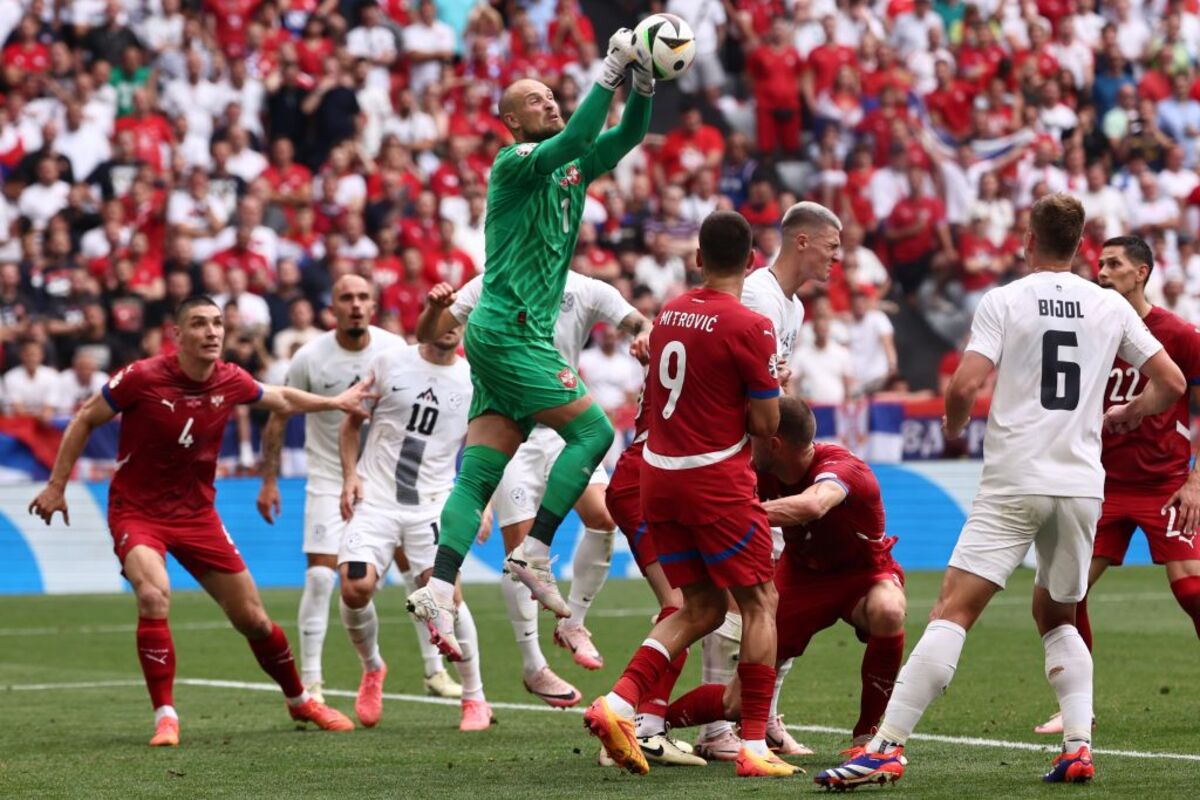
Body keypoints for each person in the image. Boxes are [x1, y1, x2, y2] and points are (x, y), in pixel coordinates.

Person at [817, 195, 1186, 788]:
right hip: (1082, 486)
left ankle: (886, 746)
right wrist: (1129, 412)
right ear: (1081, 244)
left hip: (1017, 477)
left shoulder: (1006, 299)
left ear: (1027, 238)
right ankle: (1077, 745)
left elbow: (963, 385)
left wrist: (956, 426)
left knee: (952, 609)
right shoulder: (1108, 305)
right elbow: (1170, 382)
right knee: (1057, 612)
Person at [28, 296, 377, 747]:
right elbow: (84, 418)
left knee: (252, 618)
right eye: (199, 324)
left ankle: (299, 700)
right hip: (138, 511)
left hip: (197, 515)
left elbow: (281, 398)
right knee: (154, 595)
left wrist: (336, 402)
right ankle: (166, 716)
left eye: (217, 323)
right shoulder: (143, 376)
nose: (212, 332)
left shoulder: (230, 379)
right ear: (177, 335)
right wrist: (57, 486)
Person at [405, 29, 655, 655]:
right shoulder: (512, 163)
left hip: (501, 335)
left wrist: (643, 84)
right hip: (513, 331)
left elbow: (623, 138)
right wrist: (611, 68)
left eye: (552, 95)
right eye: (536, 100)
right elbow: (575, 137)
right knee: (595, 433)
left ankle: (438, 585)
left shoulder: (571, 167)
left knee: (478, 475)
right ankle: (537, 551)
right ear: (512, 120)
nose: (549, 103)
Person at [584, 210, 794, 778]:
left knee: (698, 606)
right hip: (714, 479)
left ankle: (620, 703)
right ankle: (752, 744)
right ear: (751, 263)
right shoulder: (752, 324)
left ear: (698, 259)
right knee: (759, 603)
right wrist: (772, 384)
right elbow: (766, 423)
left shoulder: (669, 311)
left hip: (657, 476)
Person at [417, 271, 650, 706]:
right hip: (515, 430)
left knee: (603, 517)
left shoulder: (587, 289)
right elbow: (432, 330)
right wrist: (435, 307)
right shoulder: (492, 280)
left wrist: (646, 334)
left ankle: (572, 623)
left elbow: (636, 320)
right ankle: (533, 665)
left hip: (566, 426)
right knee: (518, 549)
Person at [664, 397, 907, 763]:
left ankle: (866, 735)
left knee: (888, 608)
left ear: (773, 443)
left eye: (754, 435)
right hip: (802, 577)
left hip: (863, 575)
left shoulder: (843, 467)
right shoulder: (758, 470)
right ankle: (649, 724)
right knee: (737, 701)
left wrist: (733, 516)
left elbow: (812, 505)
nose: (747, 441)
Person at [256, 275, 461, 702]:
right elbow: (280, 413)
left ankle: (434, 670)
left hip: (391, 481)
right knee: (319, 577)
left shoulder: (393, 349)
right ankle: (312, 679)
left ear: (373, 305)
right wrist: (270, 479)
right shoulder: (311, 357)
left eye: (363, 297)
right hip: (330, 478)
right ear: (332, 307)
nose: (355, 304)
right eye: (345, 297)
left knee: (419, 576)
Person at [695, 200, 843, 762]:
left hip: (764, 461)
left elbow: (774, 381)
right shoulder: (754, 294)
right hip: (734, 461)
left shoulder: (794, 308)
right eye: (831, 246)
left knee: (771, 594)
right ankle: (714, 728)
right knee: (741, 595)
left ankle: (765, 714)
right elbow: (728, 371)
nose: (837, 257)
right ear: (802, 242)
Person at [1035, 236, 1200, 735]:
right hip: (1098, 484)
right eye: (1099, 262)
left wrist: (1195, 481)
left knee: (1192, 590)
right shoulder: (1086, 330)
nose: (1101, 270)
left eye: (1114, 263)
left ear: (1142, 272)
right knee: (1066, 593)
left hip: (1165, 483)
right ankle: (1076, 706)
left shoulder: (1179, 333)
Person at [336, 324, 490, 731]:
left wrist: (484, 501)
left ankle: (475, 698)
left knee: (449, 600)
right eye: (444, 318)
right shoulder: (389, 362)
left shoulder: (474, 379)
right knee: (355, 586)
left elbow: (483, 446)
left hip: (434, 503)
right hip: (376, 497)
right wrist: (350, 475)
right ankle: (373, 668)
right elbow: (352, 422)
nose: (451, 327)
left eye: (459, 320)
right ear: (428, 321)